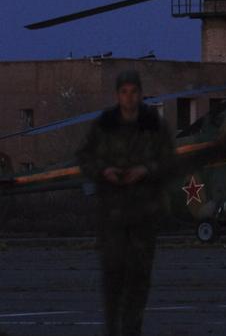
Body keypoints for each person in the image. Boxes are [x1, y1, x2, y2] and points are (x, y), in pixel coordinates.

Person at [76, 70, 175, 336]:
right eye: (124, 92)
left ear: (140, 94)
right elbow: (85, 157)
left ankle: (132, 330)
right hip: (112, 215)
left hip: (144, 214)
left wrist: (145, 170)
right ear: (118, 95)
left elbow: (168, 161)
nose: (129, 98)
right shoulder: (105, 124)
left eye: (134, 92)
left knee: (139, 279)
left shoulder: (154, 124)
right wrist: (104, 170)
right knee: (113, 278)